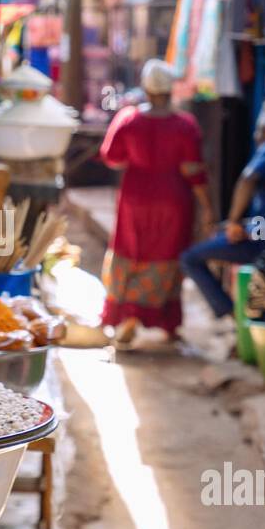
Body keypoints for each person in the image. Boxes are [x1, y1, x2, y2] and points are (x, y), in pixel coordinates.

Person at [101, 58, 213, 344]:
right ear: (170, 90)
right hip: (173, 202)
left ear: (146, 89)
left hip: (134, 199)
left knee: (130, 252)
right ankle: (163, 321)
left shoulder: (128, 119)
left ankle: (127, 316)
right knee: (166, 257)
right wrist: (208, 209)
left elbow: (111, 157)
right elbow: (193, 172)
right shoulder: (185, 125)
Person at [180, 98, 265, 319]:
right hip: (261, 230)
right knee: (215, 236)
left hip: (264, 238)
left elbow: (247, 179)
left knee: (190, 258)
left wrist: (233, 221)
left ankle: (231, 314)